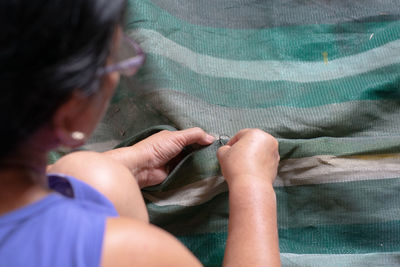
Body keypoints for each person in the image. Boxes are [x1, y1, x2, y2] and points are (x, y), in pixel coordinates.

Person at [0, 0, 281, 266]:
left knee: (91, 172)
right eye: (115, 57)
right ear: (71, 113)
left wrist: (124, 162)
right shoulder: (136, 254)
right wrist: (252, 186)